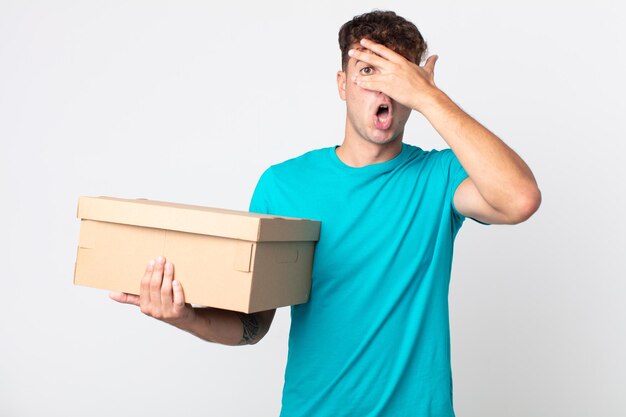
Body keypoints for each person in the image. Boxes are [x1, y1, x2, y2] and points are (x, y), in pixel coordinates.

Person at [110, 10, 541, 417]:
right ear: (342, 84)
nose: (384, 91)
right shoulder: (283, 185)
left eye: (398, 77)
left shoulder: (440, 177)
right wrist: (185, 316)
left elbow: (519, 199)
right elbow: (253, 325)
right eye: (369, 72)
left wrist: (431, 98)